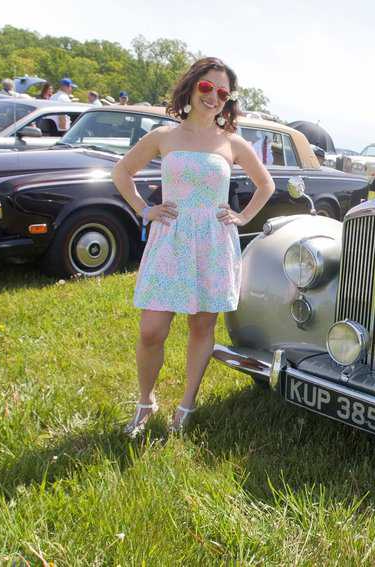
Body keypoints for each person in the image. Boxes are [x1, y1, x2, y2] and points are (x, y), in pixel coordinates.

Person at [112, 57, 274, 436]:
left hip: (213, 244)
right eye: (206, 87)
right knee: (152, 329)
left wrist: (242, 216)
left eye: (222, 92)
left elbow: (265, 184)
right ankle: (145, 400)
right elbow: (122, 172)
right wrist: (144, 209)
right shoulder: (163, 137)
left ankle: (186, 405)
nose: (213, 97)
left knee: (202, 327)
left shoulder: (231, 142)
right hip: (171, 240)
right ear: (191, 87)